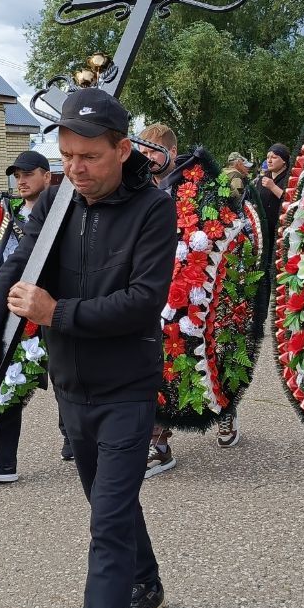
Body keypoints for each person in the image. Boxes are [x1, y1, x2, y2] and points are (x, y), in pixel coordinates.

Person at [0, 88, 177, 608]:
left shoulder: (151, 211)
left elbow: (143, 302)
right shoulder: (54, 203)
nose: (75, 168)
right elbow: (12, 273)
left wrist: (61, 315)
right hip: (73, 389)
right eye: (66, 156)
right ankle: (149, 585)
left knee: (106, 525)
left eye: (89, 156)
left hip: (127, 390)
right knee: (109, 505)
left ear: (120, 148)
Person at [0, 150, 58, 483]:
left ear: (47, 176)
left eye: (28, 174)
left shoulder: (59, 211)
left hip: (47, 306)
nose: (21, 180)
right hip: (11, 308)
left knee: (65, 375)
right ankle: (3, 460)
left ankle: (75, 438)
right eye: (17, 175)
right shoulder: (7, 213)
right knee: (8, 378)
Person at [135, 123, 182, 477]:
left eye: (153, 150)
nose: (147, 156)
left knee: (196, 364)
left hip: (189, 290)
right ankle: (158, 443)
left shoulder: (194, 190)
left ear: (171, 154)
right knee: (155, 368)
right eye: (143, 149)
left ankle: (225, 411)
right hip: (151, 292)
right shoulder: (134, 189)